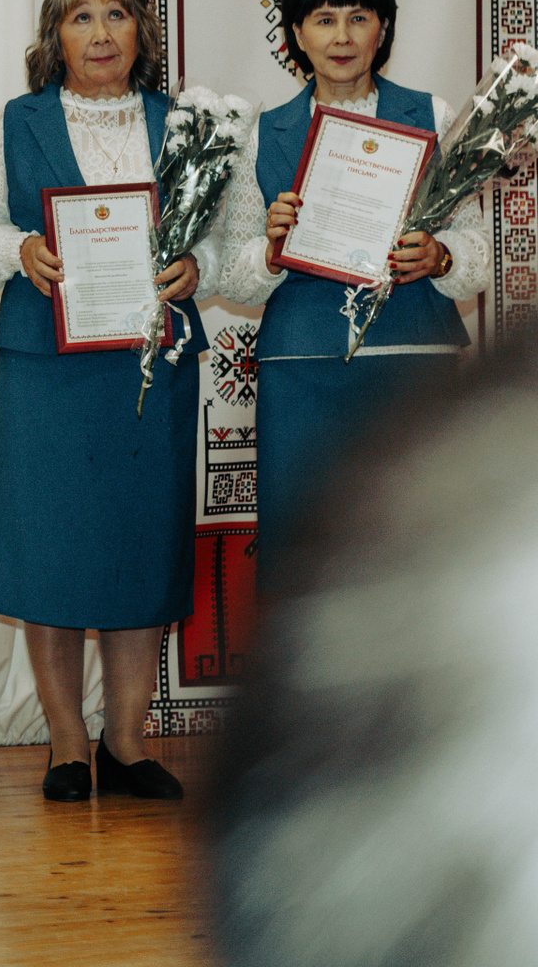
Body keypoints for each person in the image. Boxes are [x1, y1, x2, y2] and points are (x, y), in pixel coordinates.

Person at [0, 0, 209, 803]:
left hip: (151, 365)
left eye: (117, 15)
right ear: (54, 37)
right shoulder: (16, 123)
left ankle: (126, 742)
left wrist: (198, 268)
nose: (101, 33)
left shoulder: (188, 126)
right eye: (80, 17)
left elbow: (230, 240)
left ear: (142, 32)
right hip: (47, 372)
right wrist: (18, 249)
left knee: (142, 547)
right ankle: (66, 742)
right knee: (51, 550)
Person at [206, 332, 538, 967]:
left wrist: (434, 268)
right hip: (304, 353)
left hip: (407, 348)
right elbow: (243, 273)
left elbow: (464, 270)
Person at [213, 0, 487, 574]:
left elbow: (475, 255)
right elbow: (234, 277)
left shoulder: (434, 116)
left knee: (421, 554)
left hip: (414, 369)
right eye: (324, 19)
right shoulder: (263, 134)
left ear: (383, 30)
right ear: (296, 34)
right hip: (302, 373)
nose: (342, 36)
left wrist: (441, 256)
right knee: (302, 558)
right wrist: (272, 250)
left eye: (359, 17)